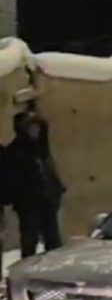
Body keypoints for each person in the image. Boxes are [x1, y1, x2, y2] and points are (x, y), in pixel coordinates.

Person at [8, 110, 64, 257]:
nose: (35, 131)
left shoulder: (42, 150)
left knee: (54, 242)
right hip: (29, 206)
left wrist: (57, 190)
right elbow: (13, 180)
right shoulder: (15, 152)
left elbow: (50, 172)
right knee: (29, 242)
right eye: (31, 128)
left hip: (48, 203)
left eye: (37, 127)